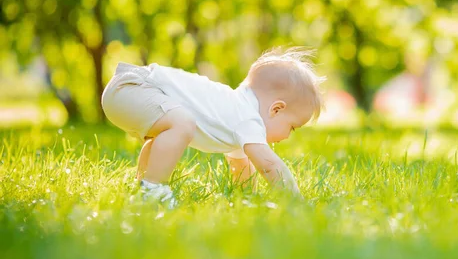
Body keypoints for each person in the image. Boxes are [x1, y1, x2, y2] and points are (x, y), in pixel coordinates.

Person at [101, 47, 326, 207]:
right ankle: (154, 189)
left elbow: (241, 168)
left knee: (169, 132)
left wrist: (246, 200)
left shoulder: (236, 116)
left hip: (128, 89)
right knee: (182, 123)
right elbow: (269, 166)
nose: (288, 136)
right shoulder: (248, 118)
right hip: (133, 87)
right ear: (276, 109)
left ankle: (143, 189)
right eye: (292, 127)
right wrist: (296, 202)